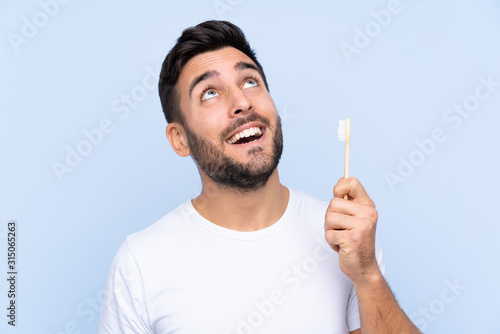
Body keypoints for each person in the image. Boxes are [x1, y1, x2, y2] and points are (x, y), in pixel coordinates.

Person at [98, 20, 421, 334]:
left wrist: (367, 275)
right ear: (179, 138)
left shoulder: (346, 237)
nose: (242, 102)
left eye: (250, 82)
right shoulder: (141, 263)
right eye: (210, 93)